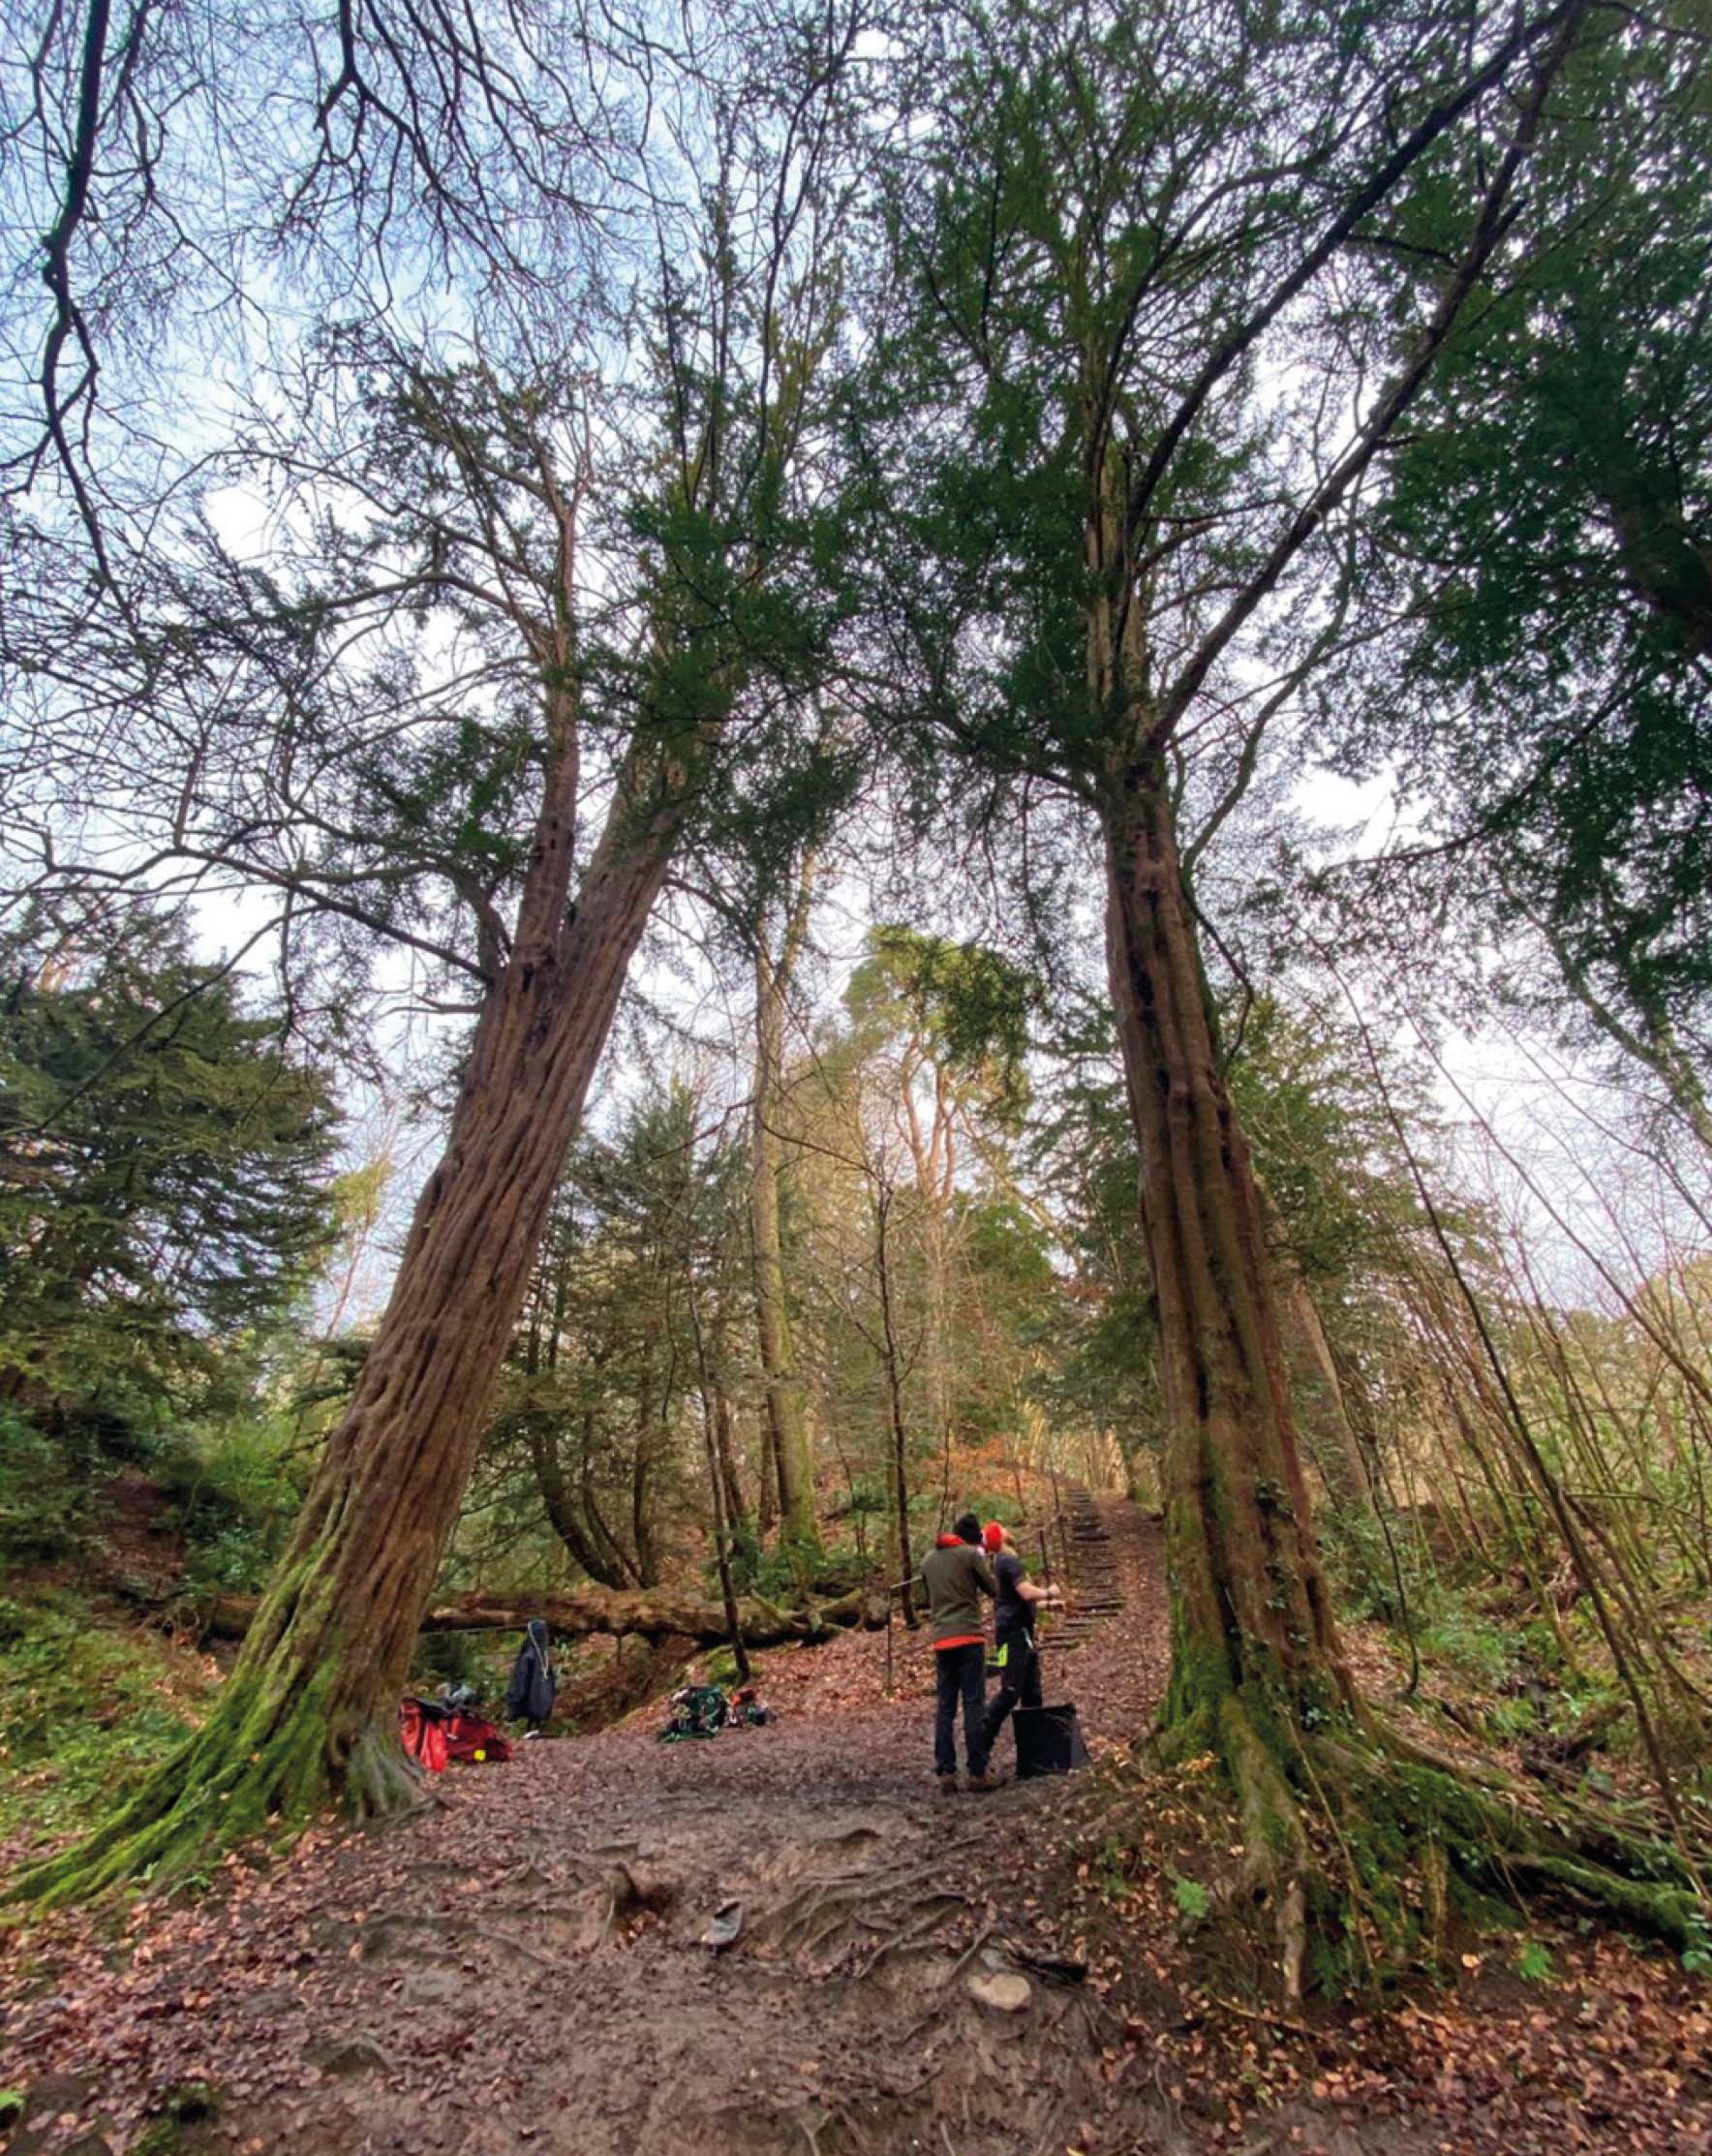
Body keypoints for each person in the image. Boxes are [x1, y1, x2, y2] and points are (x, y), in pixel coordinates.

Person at [919, 1511, 998, 1794]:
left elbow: (926, 1598)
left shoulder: (927, 1561)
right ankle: (977, 1773)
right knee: (974, 1705)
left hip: (942, 1641)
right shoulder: (970, 1556)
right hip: (969, 1636)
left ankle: (946, 1772)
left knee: (945, 1707)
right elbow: (993, 1588)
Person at [980, 1522, 1061, 1759]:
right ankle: (980, 1742)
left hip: (1015, 1635)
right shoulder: (1008, 1561)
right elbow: (1026, 1592)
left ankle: (1034, 1753)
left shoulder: (1001, 1562)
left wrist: (1048, 1605)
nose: (1006, 1529)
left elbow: (1013, 1600)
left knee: (1031, 1691)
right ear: (1000, 1538)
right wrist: (1049, 1592)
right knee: (1011, 1690)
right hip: (1014, 1636)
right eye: (1001, 1529)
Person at [504, 1617, 557, 1736]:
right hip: (539, 1701)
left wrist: (513, 1699)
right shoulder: (542, 1657)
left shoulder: (530, 1656)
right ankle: (535, 1724)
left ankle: (532, 1725)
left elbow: (519, 1680)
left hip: (530, 1700)